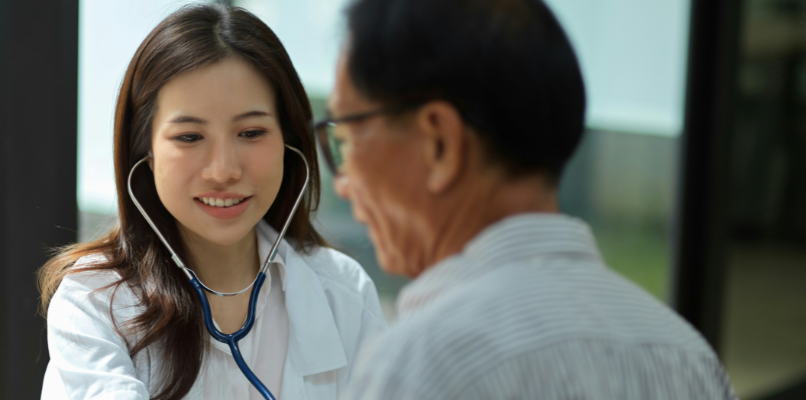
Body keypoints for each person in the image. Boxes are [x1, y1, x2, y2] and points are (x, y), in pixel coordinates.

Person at [315, 0, 738, 399]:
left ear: (439, 143)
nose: (343, 183)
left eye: (346, 139)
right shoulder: (684, 353)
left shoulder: (422, 363)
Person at [37, 4, 386, 399]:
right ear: (145, 152)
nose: (223, 171)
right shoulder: (95, 301)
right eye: (189, 137)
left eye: (251, 132)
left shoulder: (345, 292)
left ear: (287, 142)